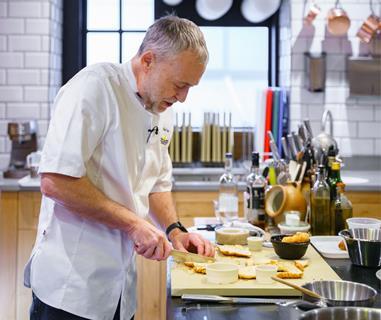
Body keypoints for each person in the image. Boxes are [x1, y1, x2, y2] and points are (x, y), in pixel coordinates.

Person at [25, 15, 215, 320]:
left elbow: (156, 184)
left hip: (120, 289)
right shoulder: (94, 88)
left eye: (190, 87)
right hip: (70, 288)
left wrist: (176, 230)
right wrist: (135, 225)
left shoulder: (161, 107)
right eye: (180, 85)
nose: (182, 97)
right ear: (149, 60)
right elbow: (56, 180)